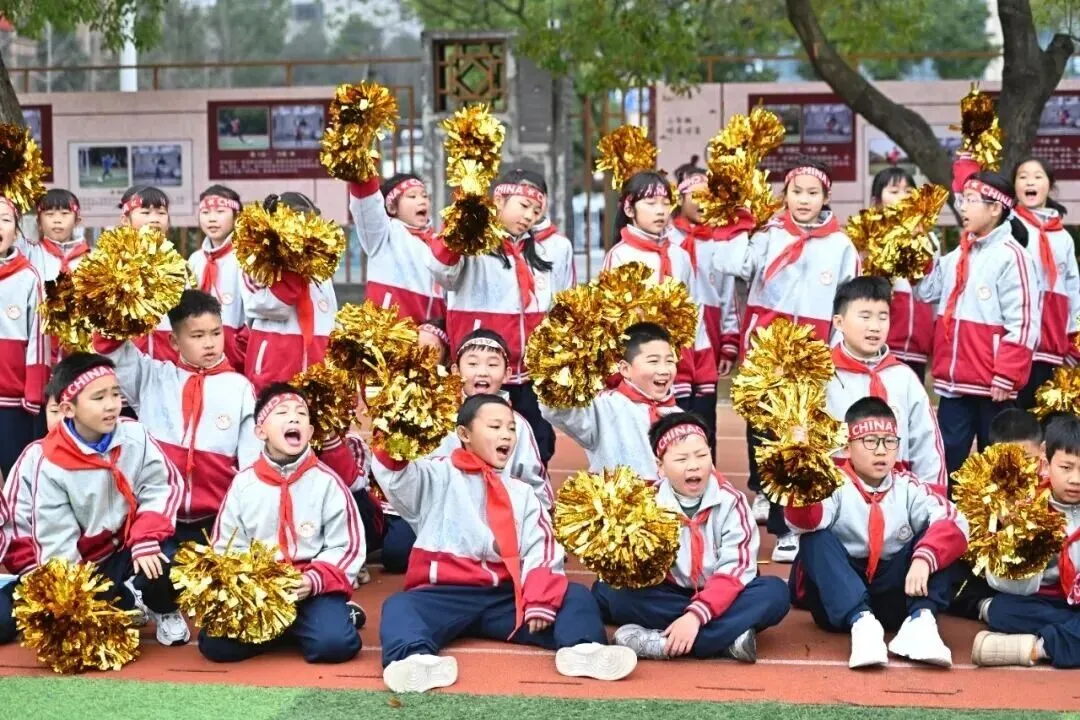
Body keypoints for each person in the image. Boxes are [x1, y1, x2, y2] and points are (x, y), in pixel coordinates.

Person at [373, 394, 638, 693]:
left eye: (511, 428)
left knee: (574, 596)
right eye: (495, 426)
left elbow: (543, 547)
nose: (506, 435)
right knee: (400, 606)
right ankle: (414, 658)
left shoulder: (521, 492)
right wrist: (395, 430)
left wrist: (539, 599)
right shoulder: (435, 474)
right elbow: (396, 476)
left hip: (506, 595)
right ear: (464, 434)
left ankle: (582, 648)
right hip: (444, 595)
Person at [713, 157, 858, 562]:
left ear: (826, 197)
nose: (804, 200)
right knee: (765, 434)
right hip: (766, 354)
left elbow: (846, 303)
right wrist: (739, 222)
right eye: (797, 191)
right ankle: (778, 519)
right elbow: (731, 265)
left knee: (801, 439)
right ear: (785, 195)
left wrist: (835, 351)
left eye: (813, 193)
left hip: (811, 359)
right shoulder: (768, 235)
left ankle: (797, 523)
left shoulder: (841, 246)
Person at [786, 398, 969, 669]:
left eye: (890, 441)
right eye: (870, 441)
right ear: (847, 447)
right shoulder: (830, 484)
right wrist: (800, 474)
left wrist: (924, 558)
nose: (881, 451)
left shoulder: (908, 486)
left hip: (894, 596)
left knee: (936, 538)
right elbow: (804, 521)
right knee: (814, 539)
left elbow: (954, 519)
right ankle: (862, 624)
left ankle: (922, 621)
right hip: (838, 599)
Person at [593, 412, 790, 662]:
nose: (694, 465)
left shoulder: (732, 501)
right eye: (681, 459)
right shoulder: (645, 504)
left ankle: (662, 643)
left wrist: (695, 616)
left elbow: (736, 569)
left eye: (701, 455)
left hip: (722, 593)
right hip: (669, 593)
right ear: (660, 466)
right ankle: (728, 639)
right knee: (612, 593)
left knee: (775, 593)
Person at [25, 352, 189, 646]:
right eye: (99, 397)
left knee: (167, 557)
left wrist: (146, 537)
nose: (112, 404)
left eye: (115, 393)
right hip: (89, 563)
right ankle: (126, 600)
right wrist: (74, 593)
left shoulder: (135, 435)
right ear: (68, 408)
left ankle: (164, 607)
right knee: (78, 628)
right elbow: (55, 537)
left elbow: (162, 486)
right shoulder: (50, 463)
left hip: (131, 543)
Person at [198, 383, 364, 664]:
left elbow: (347, 546)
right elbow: (226, 545)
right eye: (282, 412)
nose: (294, 418)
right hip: (260, 589)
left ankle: (331, 617)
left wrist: (312, 581)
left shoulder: (328, 482)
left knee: (335, 645)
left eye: (301, 414)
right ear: (260, 431)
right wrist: (253, 582)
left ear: (310, 432)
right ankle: (294, 629)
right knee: (214, 645)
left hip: (311, 587)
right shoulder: (243, 484)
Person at [427, 169, 573, 467]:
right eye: (524, 206)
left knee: (537, 445)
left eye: (536, 210)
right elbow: (442, 271)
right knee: (475, 446)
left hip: (530, 374)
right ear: (499, 201)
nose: (529, 216)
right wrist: (459, 226)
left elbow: (563, 306)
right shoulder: (472, 244)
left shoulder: (548, 249)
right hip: (484, 372)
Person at [379, 329, 551, 574]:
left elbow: (534, 481)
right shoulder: (433, 415)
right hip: (436, 507)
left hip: (493, 511)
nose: (482, 371)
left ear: (507, 374)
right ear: (455, 371)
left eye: (493, 364)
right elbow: (413, 475)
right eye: (472, 364)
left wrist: (541, 526)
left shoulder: (518, 425)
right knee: (397, 553)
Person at [95, 289, 259, 545]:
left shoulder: (240, 389)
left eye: (216, 333)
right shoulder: (151, 376)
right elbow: (110, 346)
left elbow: (251, 465)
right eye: (197, 335)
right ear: (174, 341)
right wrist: (119, 297)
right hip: (156, 518)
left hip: (219, 522)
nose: (209, 343)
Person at [914, 171, 1041, 477]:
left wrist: (1006, 375)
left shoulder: (1013, 257)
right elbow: (926, 291)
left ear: (995, 208)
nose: (963, 207)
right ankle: (946, 510)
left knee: (993, 467)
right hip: (953, 385)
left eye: (970, 200)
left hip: (993, 386)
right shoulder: (958, 254)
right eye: (963, 200)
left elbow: (1024, 322)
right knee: (948, 463)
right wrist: (919, 248)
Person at [602, 169, 717, 430]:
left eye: (665, 203)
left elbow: (694, 313)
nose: (660, 211)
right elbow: (612, 322)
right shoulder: (619, 256)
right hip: (641, 373)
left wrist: (703, 370)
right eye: (651, 203)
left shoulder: (680, 256)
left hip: (682, 368)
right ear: (629, 208)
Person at [971, 413, 1080, 667]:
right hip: (1036, 600)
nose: (1075, 479)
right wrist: (1019, 544)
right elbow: (1001, 582)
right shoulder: (1023, 507)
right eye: (1066, 468)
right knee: (1004, 608)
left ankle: (1037, 649)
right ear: (1045, 463)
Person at [826, 276, 946, 492]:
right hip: (835, 497)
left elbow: (927, 446)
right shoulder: (821, 377)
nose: (875, 327)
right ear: (839, 322)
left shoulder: (904, 378)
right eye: (865, 316)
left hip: (896, 499)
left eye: (883, 317)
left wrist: (932, 499)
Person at [542, 322, 680, 480]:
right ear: (625, 369)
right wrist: (560, 358)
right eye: (653, 361)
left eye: (669, 361)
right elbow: (557, 408)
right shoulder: (603, 408)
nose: (664, 370)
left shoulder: (680, 417)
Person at [667, 158, 744, 439]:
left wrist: (728, 344)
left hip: (707, 342)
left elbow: (728, 297)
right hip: (671, 344)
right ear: (680, 198)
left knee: (704, 419)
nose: (703, 203)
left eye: (709, 197)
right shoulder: (667, 238)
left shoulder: (719, 241)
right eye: (695, 196)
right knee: (672, 415)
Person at [948, 407, 1043, 620]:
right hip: (991, 583)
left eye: (1027, 459)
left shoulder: (1057, 487)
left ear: (1043, 451)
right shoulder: (975, 491)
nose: (1018, 471)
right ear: (991, 456)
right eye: (1007, 461)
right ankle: (986, 607)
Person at [241, 192, 338, 394]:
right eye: (293, 222)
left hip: (317, 368)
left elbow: (331, 319)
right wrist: (285, 258)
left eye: (307, 222)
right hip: (273, 367)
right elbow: (271, 306)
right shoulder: (254, 261)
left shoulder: (320, 269)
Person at [1011, 157, 1080, 409]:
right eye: (1023, 176)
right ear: (1014, 186)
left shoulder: (1063, 237)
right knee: (1015, 422)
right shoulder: (1006, 227)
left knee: (1046, 422)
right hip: (1016, 345)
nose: (1030, 182)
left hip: (1052, 347)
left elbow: (1073, 292)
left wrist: (1074, 341)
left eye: (1038, 176)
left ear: (1049, 185)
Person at [0, 374, 64, 642]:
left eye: (67, 411)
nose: (62, 420)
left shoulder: (118, 453)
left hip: (90, 572)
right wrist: (32, 573)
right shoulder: (32, 457)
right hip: (39, 572)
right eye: (54, 412)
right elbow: (13, 528)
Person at [347, 172, 445, 324]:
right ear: (392, 207)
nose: (422, 201)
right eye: (412, 196)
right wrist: (362, 171)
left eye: (424, 196)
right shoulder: (384, 234)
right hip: (388, 333)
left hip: (429, 336)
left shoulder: (439, 243)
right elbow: (367, 206)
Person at [869, 167, 937, 381]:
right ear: (877, 201)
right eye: (894, 191)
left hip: (918, 349)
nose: (903, 196)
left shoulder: (928, 239)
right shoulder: (870, 239)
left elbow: (934, 291)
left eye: (908, 191)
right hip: (881, 346)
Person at [0, 196, 46, 477]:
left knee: (16, 477)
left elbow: (39, 340)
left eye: (5, 219)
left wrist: (33, 395)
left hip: (13, 402)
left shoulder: (29, 277)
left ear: (16, 231)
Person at [188, 184, 248, 369]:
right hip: (197, 353)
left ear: (237, 216)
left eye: (220, 212)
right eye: (205, 212)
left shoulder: (245, 258)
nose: (212, 218)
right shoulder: (195, 259)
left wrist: (238, 345)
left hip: (236, 357)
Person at [120, 185, 181, 365]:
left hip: (170, 366)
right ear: (125, 220)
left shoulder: (180, 267)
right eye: (145, 213)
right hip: (125, 365)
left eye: (161, 213)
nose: (154, 219)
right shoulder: (112, 264)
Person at [23, 189, 88, 283]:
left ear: (77, 221)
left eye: (64, 213)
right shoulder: (30, 254)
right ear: (39, 222)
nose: (57, 220)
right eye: (50, 214)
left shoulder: (92, 258)